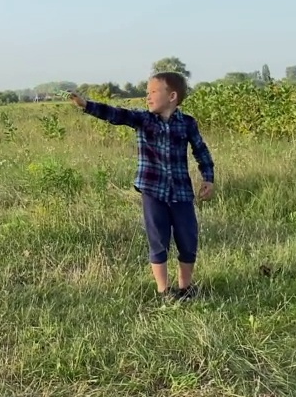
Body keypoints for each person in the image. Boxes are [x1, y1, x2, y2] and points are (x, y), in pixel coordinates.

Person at [68, 72, 215, 300]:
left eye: (153, 92)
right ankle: (164, 291)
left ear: (172, 96)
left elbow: (201, 151)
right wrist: (86, 105)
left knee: (188, 240)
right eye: (147, 92)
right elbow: (116, 114)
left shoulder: (187, 124)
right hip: (152, 192)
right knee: (158, 241)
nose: (148, 97)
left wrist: (208, 177)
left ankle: (185, 288)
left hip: (181, 194)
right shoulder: (143, 120)